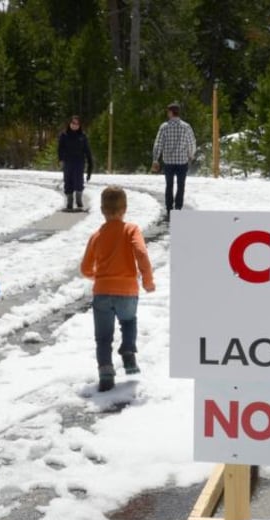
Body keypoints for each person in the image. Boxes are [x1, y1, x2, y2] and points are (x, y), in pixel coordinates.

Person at [80, 186, 155, 392]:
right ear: (125, 209)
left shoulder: (97, 236)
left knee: (103, 337)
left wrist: (99, 278)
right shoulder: (131, 230)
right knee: (129, 321)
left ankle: (105, 373)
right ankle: (128, 352)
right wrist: (147, 280)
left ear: (102, 210)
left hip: (102, 292)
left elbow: (85, 268)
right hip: (127, 291)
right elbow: (140, 253)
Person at [151, 102, 196, 220]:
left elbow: (158, 144)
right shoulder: (186, 126)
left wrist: (156, 159)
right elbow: (191, 142)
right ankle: (179, 208)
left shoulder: (164, 127)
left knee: (169, 185)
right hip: (182, 161)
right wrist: (191, 154)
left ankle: (169, 209)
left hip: (169, 162)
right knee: (181, 185)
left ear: (171, 112)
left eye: (168, 112)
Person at [57, 115, 94, 211]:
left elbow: (87, 150)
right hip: (68, 161)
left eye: (77, 124)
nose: (75, 125)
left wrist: (90, 161)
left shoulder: (83, 136)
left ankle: (78, 199)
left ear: (79, 125)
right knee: (68, 180)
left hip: (79, 162)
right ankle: (69, 201)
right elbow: (60, 148)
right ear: (70, 124)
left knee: (78, 181)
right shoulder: (64, 135)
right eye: (73, 123)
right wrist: (61, 159)